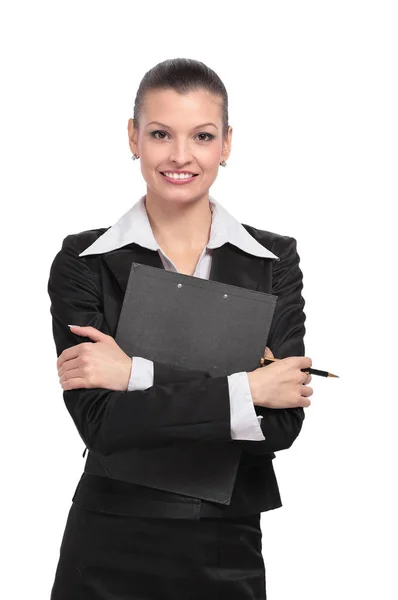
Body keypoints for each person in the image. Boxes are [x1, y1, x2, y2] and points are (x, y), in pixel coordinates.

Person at [48, 57, 313, 600]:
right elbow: (100, 425)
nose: (180, 156)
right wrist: (246, 389)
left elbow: (281, 426)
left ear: (227, 145)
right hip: (108, 542)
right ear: (134, 138)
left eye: (203, 135)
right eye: (161, 134)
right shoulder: (84, 260)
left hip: (227, 542)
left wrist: (134, 374)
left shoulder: (272, 260)